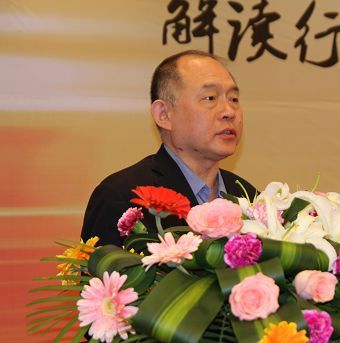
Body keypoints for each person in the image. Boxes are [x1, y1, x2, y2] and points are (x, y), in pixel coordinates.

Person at [81, 50, 257, 246]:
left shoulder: (250, 200)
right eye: (210, 98)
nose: (229, 112)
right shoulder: (122, 197)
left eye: (234, 99)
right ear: (164, 115)